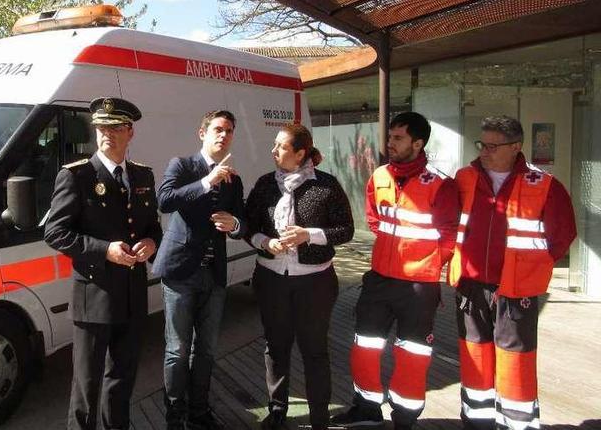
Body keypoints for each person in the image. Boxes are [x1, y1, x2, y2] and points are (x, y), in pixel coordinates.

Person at [332, 112, 459, 430]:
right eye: (390, 137)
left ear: (418, 143)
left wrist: (426, 265)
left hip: (418, 286)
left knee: (413, 355)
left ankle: (405, 417)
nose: (390, 143)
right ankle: (366, 409)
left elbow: (449, 237)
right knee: (365, 347)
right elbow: (374, 220)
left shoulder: (441, 185)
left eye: (398, 138)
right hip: (379, 280)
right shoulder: (380, 176)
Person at [449, 116, 576, 430]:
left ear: (516, 147)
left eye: (493, 146)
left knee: (515, 360)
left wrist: (533, 268)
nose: (485, 151)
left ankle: (517, 423)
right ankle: (476, 422)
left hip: (517, 290)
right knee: (474, 357)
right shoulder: (464, 178)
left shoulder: (544, 184)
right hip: (472, 285)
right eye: (482, 144)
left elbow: (563, 234)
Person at [44, 97, 163, 430]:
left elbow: (152, 225)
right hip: (94, 296)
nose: (107, 133)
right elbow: (55, 233)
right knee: (87, 386)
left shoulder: (142, 175)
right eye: (101, 127)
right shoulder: (77, 176)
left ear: (130, 132)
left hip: (132, 294)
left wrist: (152, 242)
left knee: (122, 380)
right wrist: (104, 250)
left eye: (115, 128)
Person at [244, 123, 354, 430]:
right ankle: (277, 410)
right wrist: (265, 243)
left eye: (281, 146)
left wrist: (310, 235)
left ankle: (319, 418)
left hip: (315, 282)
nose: (273, 151)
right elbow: (248, 224)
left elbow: (346, 230)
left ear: (300, 153)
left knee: (314, 349)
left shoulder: (326, 185)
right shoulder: (266, 184)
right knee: (276, 346)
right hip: (271, 279)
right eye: (275, 145)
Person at [153, 110, 246, 430]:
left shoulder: (234, 179)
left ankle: (200, 411)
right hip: (180, 272)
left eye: (229, 131)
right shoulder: (182, 165)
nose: (224, 135)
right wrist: (207, 181)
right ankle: (175, 415)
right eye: (218, 129)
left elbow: (241, 221)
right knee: (178, 350)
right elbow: (164, 200)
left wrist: (234, 224)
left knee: (205, 350)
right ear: (202, 133)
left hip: (214, 273)